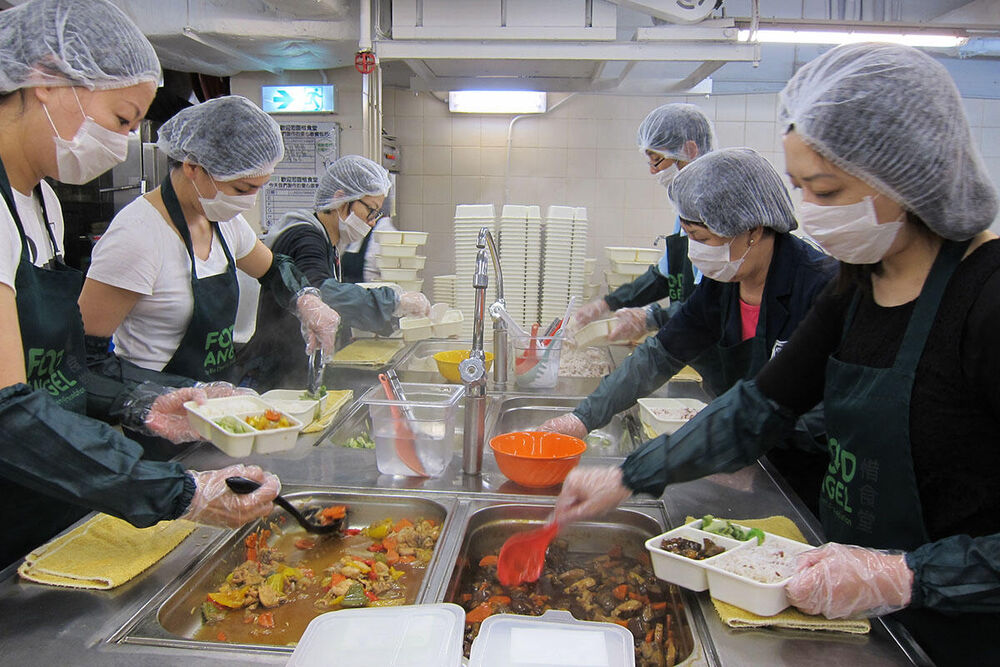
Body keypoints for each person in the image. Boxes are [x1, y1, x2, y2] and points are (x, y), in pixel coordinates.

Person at [552, 43, 1000, 666]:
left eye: (826, 188)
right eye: (800, 188)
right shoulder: (858, 288)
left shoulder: (986, 298)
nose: (808, 212)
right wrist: (628, 476)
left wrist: (909, 576)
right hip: (860, 612)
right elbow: (757, 407)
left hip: (964, 633)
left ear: (909, 175)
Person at [0, 0, 278, 569]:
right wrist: (179, 492)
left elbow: (69, 364)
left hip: (53, 486)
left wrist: (142, 399)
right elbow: (8, 412)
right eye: (123, 119)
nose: (126, 141)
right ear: (47, 80)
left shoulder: (41, 203)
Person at [543, 148, 835, 508]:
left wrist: (736, 444)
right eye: (688, 236)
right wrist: (582, 418)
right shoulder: (723, 285)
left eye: (703, 238)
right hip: (734, 453)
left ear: (753, 230)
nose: (694, 252)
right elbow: (660, 355)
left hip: (804, 482)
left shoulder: (821, 287)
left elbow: (826, 413)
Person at [79, 96, 341, 387]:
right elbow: (87, 360)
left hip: (215, 407)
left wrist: (305, 298)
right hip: (155, 413)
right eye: (242, 188)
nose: (249, 202)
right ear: (193, 167)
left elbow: (273, 269)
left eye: (259, 188)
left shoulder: (226, 224)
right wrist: (176, 395)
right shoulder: (137, 237)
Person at [236, 155, 430, 389]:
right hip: (276, 376)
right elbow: (322, 294)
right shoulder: (305, 238)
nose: (371, 222)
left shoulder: (327, 242)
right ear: (341, 199)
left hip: (292, 368)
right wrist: (394, 302)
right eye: (370, 211)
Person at [572, 103, 714, 341]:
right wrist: (607, 304)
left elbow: (709, 306)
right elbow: (663, 276)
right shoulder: (685, 212)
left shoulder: (715, 212)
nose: (652, 171)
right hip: (692, 341)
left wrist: (651, 319)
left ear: (689, 150)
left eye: (657, 160)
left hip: (716, 349)